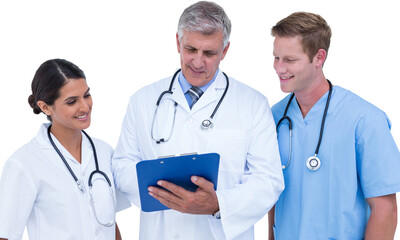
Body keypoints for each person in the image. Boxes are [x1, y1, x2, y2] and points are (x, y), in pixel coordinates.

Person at [112, 1, 284, 239]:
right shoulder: (142, 101)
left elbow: (268, 180)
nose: (197, 62)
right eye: (191, 49)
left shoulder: (253, 104)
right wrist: (163, 192)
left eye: (209, 53)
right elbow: (122, 163)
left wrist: (218, 204)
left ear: (224, 51)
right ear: (177, 43)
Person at [268, 12, 400, 239]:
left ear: (319, 57)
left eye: (290, 60)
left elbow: (384, 208)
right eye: (276, 58)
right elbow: (272, 195)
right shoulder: (274, 117)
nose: (279, 68)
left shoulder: (365, 120)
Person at [0, 59, 130, 240]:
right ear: (45, 107)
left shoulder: (104, 152)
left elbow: (108, 222)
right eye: (71, 101)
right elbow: (6, 234)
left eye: (86, 95)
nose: (85, 106)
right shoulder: (23, 164)